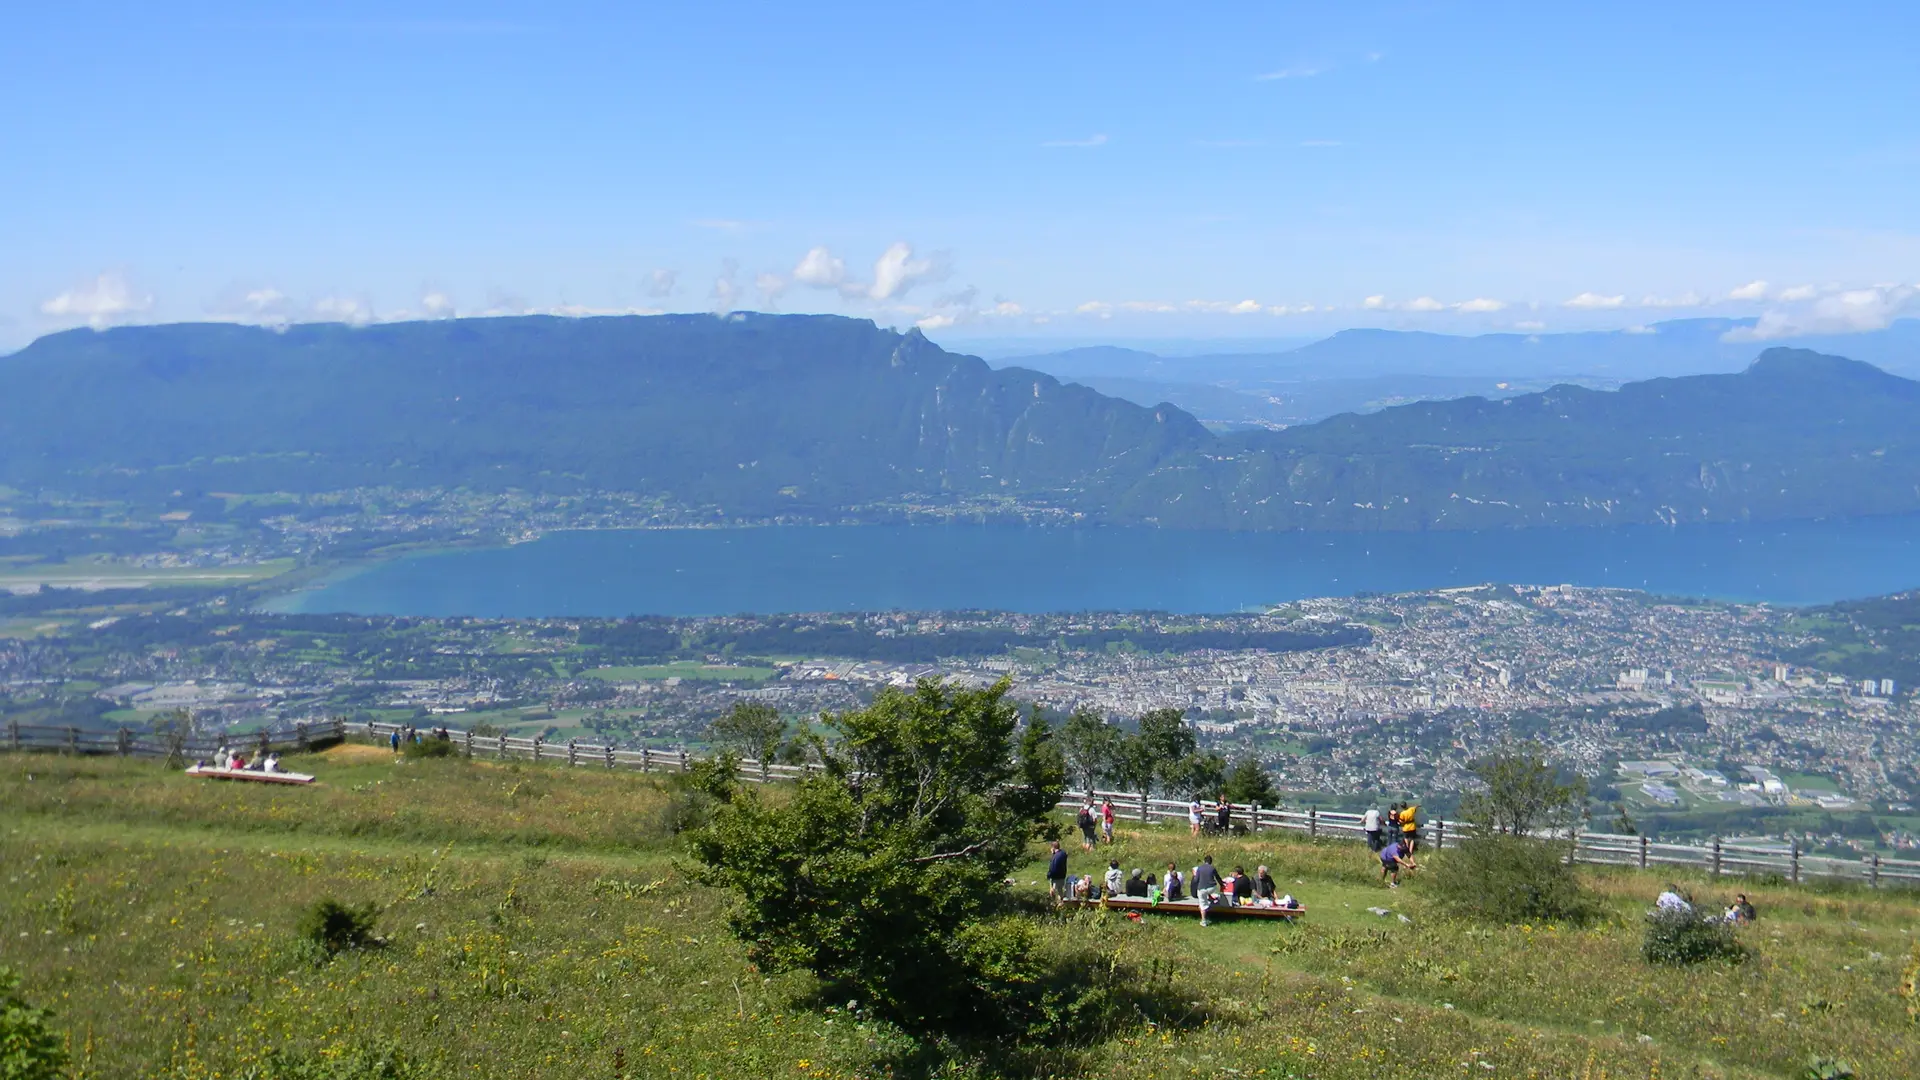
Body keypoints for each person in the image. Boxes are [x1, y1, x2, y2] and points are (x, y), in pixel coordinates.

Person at [1191, 855, 1222, 925]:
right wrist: (1222, 884)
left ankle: (1203, 921)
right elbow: (1218, 878)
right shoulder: (1212, 868)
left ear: (1204, 861)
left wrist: (1195, 876)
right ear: (1211, 862)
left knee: (1202, 905)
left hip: (1202, 889)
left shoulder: (1199, 868)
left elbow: (1196, 880)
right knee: (1213, 894)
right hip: (1212, 888)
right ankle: (1213, 898)